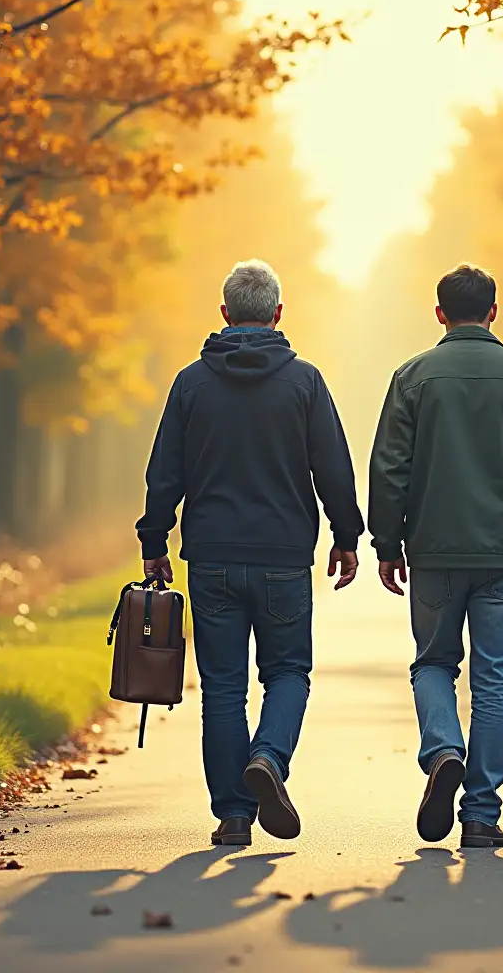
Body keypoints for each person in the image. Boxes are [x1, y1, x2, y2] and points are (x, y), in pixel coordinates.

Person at [136, 259, 364, 847]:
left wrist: (155, 540)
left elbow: (165, 474)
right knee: (288, 670)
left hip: (211, 555)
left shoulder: (191, 383)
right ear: (278, 315)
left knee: (223, 686)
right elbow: (332, 466)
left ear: (224, 314)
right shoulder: (304, 382)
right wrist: (345, 534)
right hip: (284, 557)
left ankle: (234, 815)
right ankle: (268, 757)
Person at [369, 263, 503, 849]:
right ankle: (481, 815)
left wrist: (388, 544)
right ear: (493, 311)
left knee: (433, 662)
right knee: (494, 681)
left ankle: (442, 750)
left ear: (440, 314)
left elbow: (389, 467)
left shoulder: (412, 378)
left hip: (434, 550)